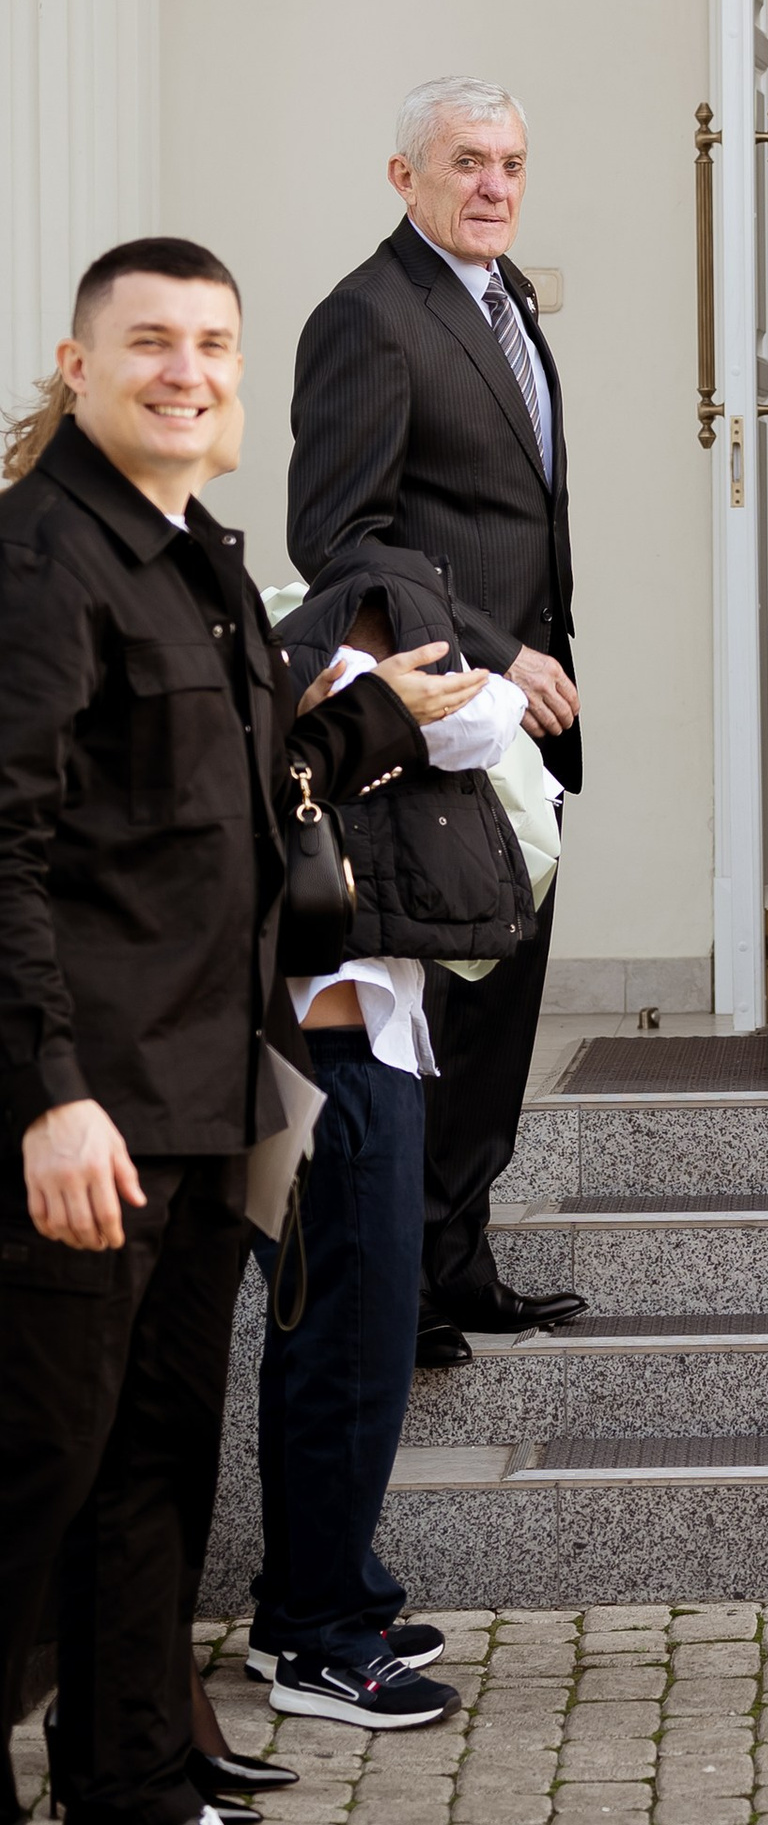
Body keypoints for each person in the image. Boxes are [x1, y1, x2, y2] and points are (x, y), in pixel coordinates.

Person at [0, 241, 473, 1825]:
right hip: (83, 1114)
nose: (188, 368)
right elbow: (11, 850)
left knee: (149, 1477)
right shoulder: (41, 562)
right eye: (152, 342)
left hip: (203, 1105)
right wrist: (45, 1093)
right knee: (30, 1477)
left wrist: (365, 721)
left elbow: (227, 787)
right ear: (78, 358)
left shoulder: (193, 553)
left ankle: (131, 1802)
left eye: (212, 343)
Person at [290, 78, 585, 1367]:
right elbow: (339, 538)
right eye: (466, 161)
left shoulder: (504, 299)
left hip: (524, 714)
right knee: (446, 1001)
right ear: (402, 175)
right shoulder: (369, 314)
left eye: (512, 162)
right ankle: (403, 1286)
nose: (494, 186)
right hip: (442, 717)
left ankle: (459, 1260)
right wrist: (496, 653)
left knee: (504, 1001)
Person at [247, 548, 544, 1730]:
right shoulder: (311, 662)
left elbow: (491, 719)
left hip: (335, 1038)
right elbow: (490, 720)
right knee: (351, 1343)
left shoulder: (270, 643)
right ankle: (319, 1628)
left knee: (323, 1338)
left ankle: (317, 1603)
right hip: (325, 1048)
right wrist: (376, 698)